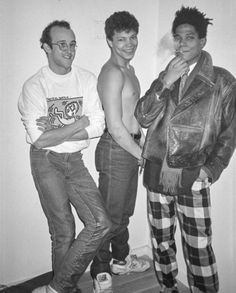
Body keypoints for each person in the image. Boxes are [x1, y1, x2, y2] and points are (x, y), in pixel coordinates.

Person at [135, 6, 236, 293]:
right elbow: (142, 117)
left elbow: (229, 134)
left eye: (189, 38)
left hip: (192, 174)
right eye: (177, 38)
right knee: (161, 240)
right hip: (157, 170)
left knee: (198, 245)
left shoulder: (222, 81)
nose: (181, 44)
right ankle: (168, 287)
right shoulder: (166, 75)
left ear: (202, 41)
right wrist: (164, 82)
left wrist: (211, 169)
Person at [18, 20, 111, 293]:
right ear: (46, 47)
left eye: (72, 44)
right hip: (46, 160)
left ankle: (56, 287)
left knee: (100, 222)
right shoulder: (35, 85)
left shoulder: (87, 79)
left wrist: (58, 129)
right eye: (61, 44)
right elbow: (41, 139)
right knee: (63, 230)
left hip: (75, 161)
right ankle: (65, 289)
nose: (68, 50)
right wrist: (78, 122)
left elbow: (98, 126)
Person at [90, 11, 150, 293]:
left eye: (133, 36)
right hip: (117, 149)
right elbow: (115, 126)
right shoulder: (112, 73)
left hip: (130, 148)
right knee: (109, 217)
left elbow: (133, 117)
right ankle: (100, 270)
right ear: (109, 41)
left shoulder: (130, 70)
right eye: (121, 39)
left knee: (123, 214)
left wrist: (141, 147)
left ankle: (120, 260)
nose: (129, 43)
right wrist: (142, 154)